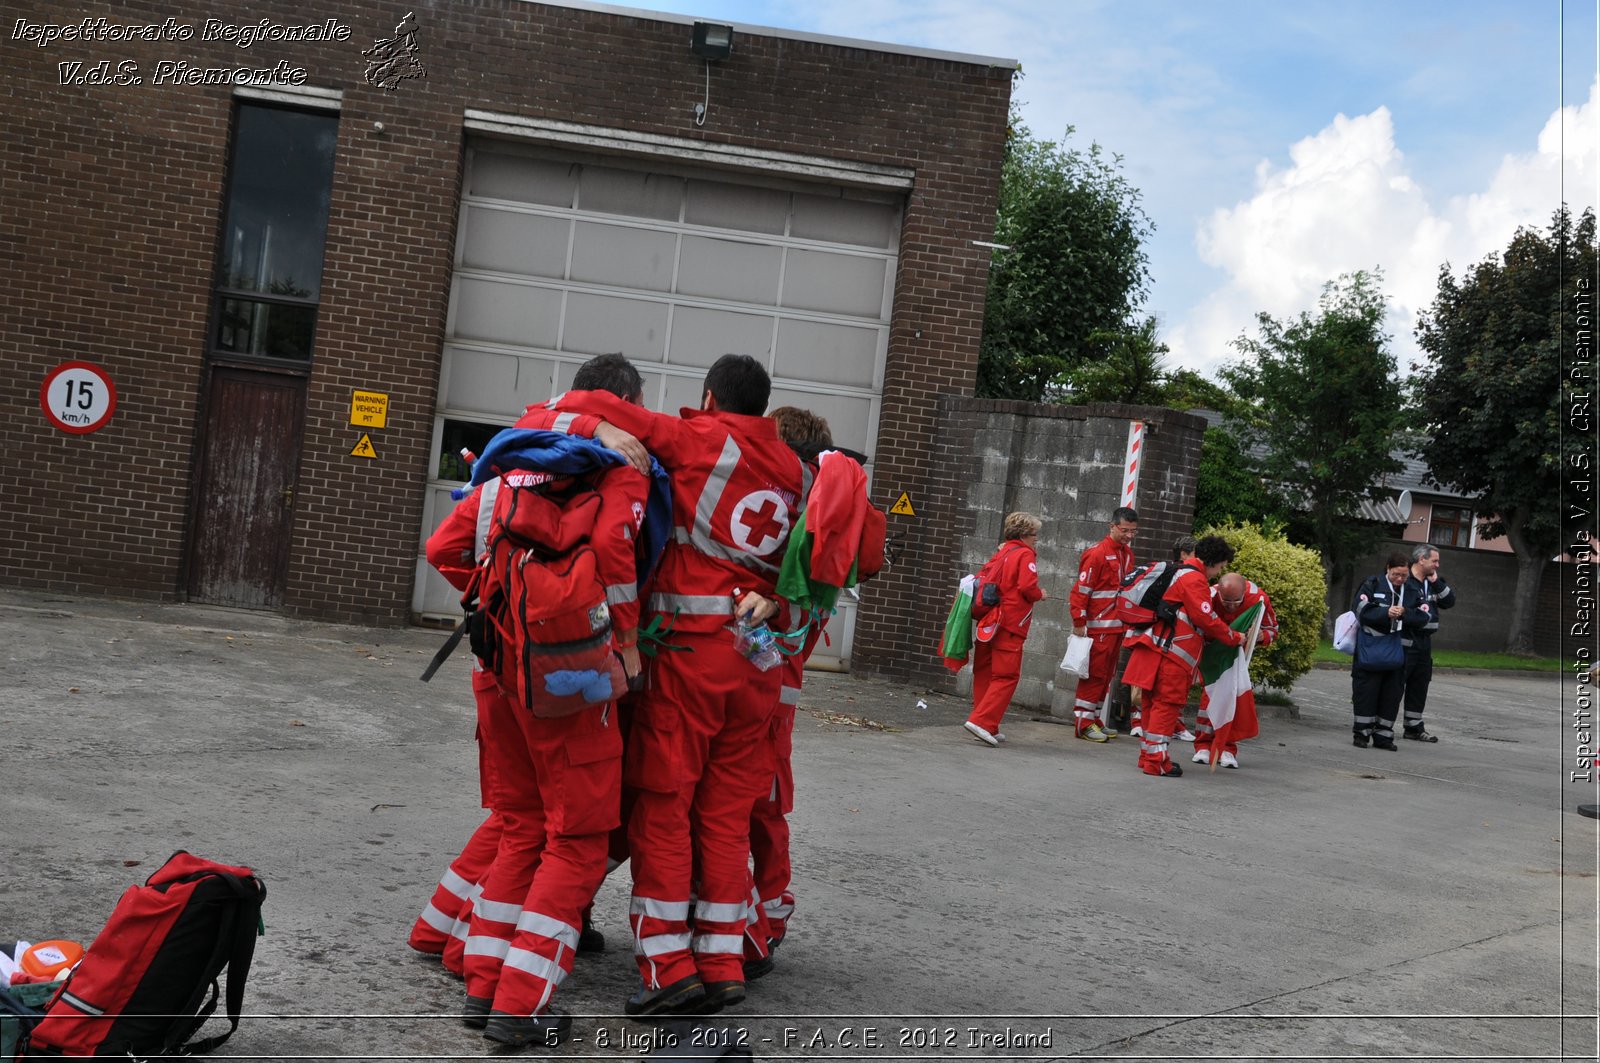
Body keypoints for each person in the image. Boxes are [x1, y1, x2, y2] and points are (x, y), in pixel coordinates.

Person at [516, 354, 803, 1018]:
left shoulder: (700, 438)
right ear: (764, 407)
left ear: (708, 396)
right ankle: (723, 960)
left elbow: (585, 406)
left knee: (664, 806)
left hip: (690, 660)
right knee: (727, 818)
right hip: (758, 665)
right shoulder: (796, 469)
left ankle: (669, 966)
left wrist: (591, 420)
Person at [428, 353, 650, 1047]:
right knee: (579, 840)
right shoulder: (615, 465)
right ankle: (521, 1006)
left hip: (497, 669)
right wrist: (628, 643)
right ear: (626, 404)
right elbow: (616, 552)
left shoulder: (510, 459)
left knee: (522, 824)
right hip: (569, 679)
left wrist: (500, 607)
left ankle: (486, 986)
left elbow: (444, 546)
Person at [1119, 535, 1244, 777]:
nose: (1219, 572)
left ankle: (1148, 755)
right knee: (1166, 705)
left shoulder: (1180, 572)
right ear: (1214, 562)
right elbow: (1205, 618)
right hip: (1171, 654)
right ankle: (1157, 761)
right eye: (1221, 567)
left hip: (1153, 647)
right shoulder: (1194, 579)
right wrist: (1234, 637)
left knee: (1150, 703)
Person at [963, 512, 1046, 747]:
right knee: (1006, 675)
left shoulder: (1001, 552)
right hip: (1010, 622)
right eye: (1034, 534)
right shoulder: (1024, 553)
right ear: (1024, 534)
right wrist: (1041, 594)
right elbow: (1027, 588)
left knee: (984, 671)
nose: (1036, 538)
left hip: (990, 621)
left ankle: (987, 723)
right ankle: (982, 721)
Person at [1192, 571, 1279, 769]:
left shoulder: (1259, 599)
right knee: (1209, 697)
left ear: (1244, 594)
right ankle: (1203, 744)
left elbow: (1272, 629)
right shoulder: (1209, 595)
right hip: (1213, 654)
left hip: (1237, 657)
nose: (1231, 606)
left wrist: (1259, 637)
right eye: (1226, 601)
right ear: (1219, 593)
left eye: (1236, 601)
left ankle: (1228, 748)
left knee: (1234, 699)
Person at [1068, 507, 1138, 742]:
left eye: (1133, 531)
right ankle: (1083, 722)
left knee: (1107, 675)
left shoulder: (1127, 554)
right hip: (1098, 627)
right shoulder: (1096, 553)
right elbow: (1081, 591)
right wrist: (1079, 622)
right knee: (1094, 674)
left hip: (1116, 627)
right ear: (1112, 526)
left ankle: (1094, 718)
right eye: (1125, 530)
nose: (1129, 535)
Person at [1350, 553, 1423, 750]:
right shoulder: (1372, 584)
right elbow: (1360, 610)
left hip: (1399, 653)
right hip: (1371, 650)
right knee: (1366, 692)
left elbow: (1424, 616)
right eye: (1395, 575)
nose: (1399, 579)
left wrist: (1406, 613)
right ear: (1387, 569)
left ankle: (1384, 736)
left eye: (1404, 576)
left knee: (1392, 695)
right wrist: (1385, 612)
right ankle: (1362, 734)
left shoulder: (1413, 591)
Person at [1399, 544, 1455, 742]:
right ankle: (1382, 724)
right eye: (1434, 561)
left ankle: (1413, 727)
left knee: (1420, 683)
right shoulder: (1406, 581)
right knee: (1398, 683)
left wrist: (1436, 582)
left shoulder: (1432, 582)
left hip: (1425, 642)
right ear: (1421, 559)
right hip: (1407, 639)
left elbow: (1449, 602)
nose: (1437, 565)